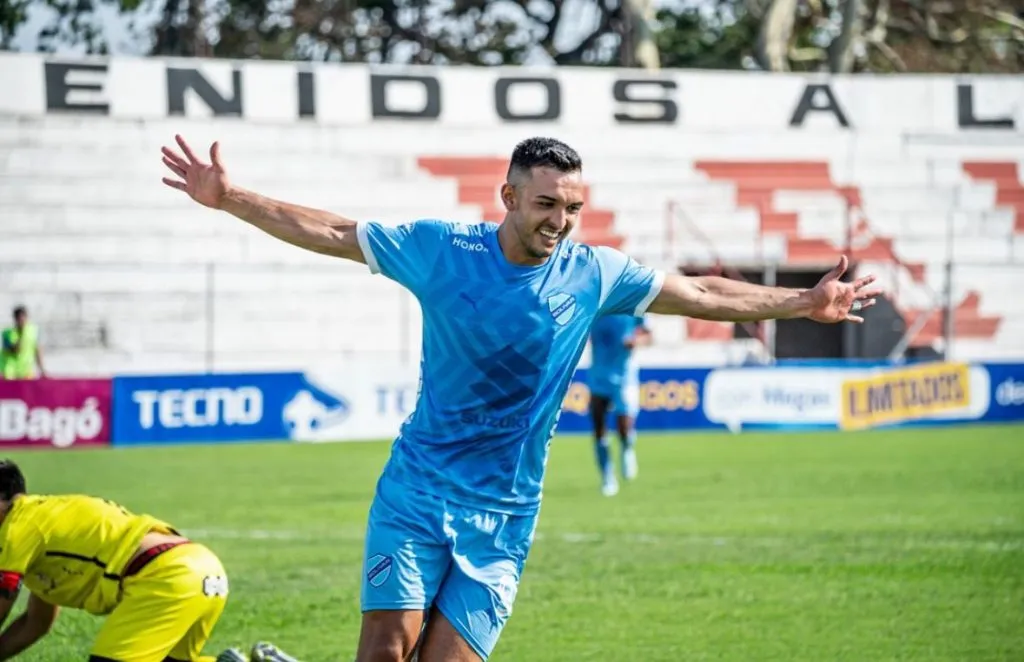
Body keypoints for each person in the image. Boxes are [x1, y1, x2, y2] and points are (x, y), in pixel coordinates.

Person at [160, 134, 881, 662]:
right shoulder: (443, 249)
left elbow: (700, 292)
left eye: (572, 207)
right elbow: (337, 232)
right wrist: (230, 199)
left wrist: (801, 300)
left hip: (504, 515)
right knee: (386, 651)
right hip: (415, 491)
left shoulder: (593, 272)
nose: (559, 222)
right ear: (508, 197)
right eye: (545, 204)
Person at [0, 459, 296, 662]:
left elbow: (3, 599)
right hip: (201, 569)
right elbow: (34, 624)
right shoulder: (39, 531)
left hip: (163, 576)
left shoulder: (19, 524)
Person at [587, 313, 652, 497]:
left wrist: (636, 340)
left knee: (624, 425)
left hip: (625, 375)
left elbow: (648, 334)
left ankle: (626, 447)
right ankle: (607, 476)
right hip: (598, 374)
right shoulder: (597, 304)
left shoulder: (632, 305)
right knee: (598, 426)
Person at [1, 306, 45, 380]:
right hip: (10, 373)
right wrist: (21, 338)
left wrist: (42, 370)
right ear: (15, 319)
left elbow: (38, 351)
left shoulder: (34, 331)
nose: (22, 320)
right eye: (19, 318)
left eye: (23, 317)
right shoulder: (7, 333)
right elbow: (13, 350)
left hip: (26, 372)